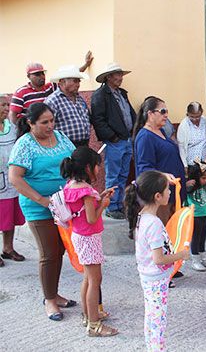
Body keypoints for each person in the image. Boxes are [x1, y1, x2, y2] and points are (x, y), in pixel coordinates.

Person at [8, 103, 76, 321]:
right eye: (44, 122)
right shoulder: (25, 144)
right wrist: (42, 200)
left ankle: (54, 292)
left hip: (63, 204)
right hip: (38, 206)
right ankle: (49, 300)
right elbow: (15, 178)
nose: (50, 126)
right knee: (49, 253)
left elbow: (73, 161)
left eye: (52, 121)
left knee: (59, 250)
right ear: (31, 123)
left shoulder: (61, 137)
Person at [124, 170, 189, 351]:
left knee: (152, 316)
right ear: (158, 196)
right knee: (158, 319)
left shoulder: (142, 217)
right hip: (156, 278)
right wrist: (181, 255)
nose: (170, 192)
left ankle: (151, 347)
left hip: (148, 276)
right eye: (168, 189)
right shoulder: (153, 223)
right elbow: (159, 259)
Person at [60, 147, 118, 337]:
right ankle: (94, 325)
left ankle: (88, 315)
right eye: (97, 166)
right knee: (95, 280)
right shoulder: (85, 190)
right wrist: (103, 205)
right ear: (87, 167)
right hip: (89, 237)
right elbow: (92, 218)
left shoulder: (71, 186)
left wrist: (99, 197)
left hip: (79, 235)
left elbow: (83, 210)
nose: (98, 170)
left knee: (87, 278)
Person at [91, 62, 137, 220]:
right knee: (113, 175)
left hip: (126, 139)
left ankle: (118, 205)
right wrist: (112, 137)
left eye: (121, 75)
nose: (120, 78)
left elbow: (128, 113)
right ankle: (111, 206)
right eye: (117, 75)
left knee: (123, 174)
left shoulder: (122, 93)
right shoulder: (100, 95)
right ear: (109, 77)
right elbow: (98, 120)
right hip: (115, 141)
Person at [133, 96, 186, 226]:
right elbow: (144, 169)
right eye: (162, 111)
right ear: (150, 114)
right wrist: (163, 176)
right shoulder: (145, 137)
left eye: (167, 111)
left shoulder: (160, 131)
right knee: (164, 234)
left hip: (172, 194)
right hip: (159, 196)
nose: (166, 115)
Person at [9, 52, 93, 124]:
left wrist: (85, 65)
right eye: (37, 74)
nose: (41, 76)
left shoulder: (51, 87)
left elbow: (68, 76)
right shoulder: (21, 93)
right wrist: (23, 130)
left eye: (43, 73)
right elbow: (13, 115)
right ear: (28, 76)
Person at [0, 94, 26, 267]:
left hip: (10, 178)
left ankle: (8, 248)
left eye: (7, 105)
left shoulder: (12, 127)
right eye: (2, 105)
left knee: (9, 215)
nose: (6, 109)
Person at [45, 65, 91, 147]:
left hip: (83, 144)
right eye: (75, 81)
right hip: (64, 146)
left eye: (79, 81)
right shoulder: (53, 101)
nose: (78, 85)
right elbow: (47, 127)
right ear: (62, 82)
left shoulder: (79, 99)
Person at [185, 160, 206, 271]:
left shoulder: (205, 187)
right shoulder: (191, 186)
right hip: (195, 214)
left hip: (204, 213)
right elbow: (185, 192)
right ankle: (195, 260)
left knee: (202, 236)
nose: (205, 180)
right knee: (196, 237)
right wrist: (187, 185)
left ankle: (203, 257)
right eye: (203, 178)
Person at [177, 101, 206, 168]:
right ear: (187, 114)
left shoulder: (205, 121)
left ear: (201, 113)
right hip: (191, 164)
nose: (195, 119)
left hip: (205, 162)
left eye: (197, 116)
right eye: (192, 117)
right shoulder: (184, 125)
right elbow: (181, 147)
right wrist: (185, 165)